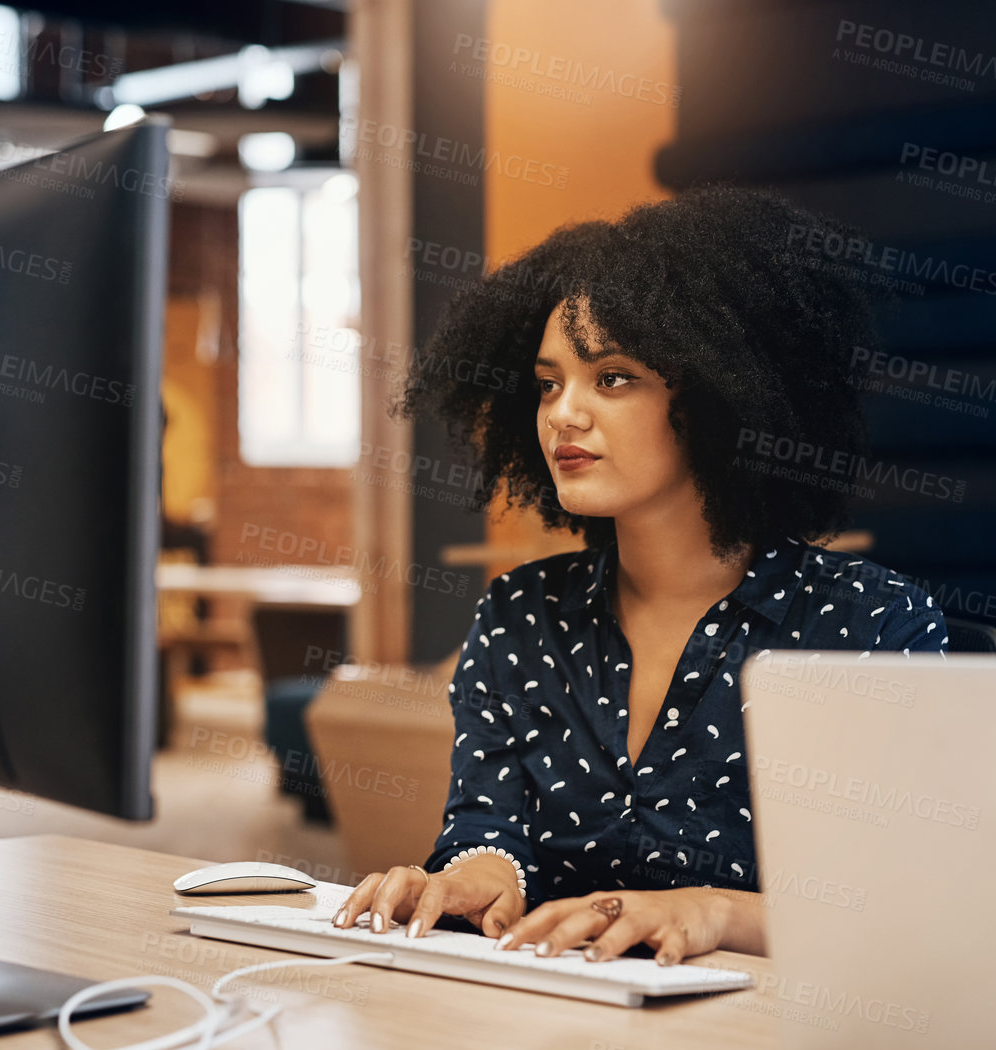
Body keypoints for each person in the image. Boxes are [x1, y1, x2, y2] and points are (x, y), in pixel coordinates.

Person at [333, 187, 947, 965]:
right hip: (547, 1024)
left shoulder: (867, 624)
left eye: (612, 377)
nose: (563, 413)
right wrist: (473, 873)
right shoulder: (518, 615)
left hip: (770, 1037)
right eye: (549, 382)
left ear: (721, 396)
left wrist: (713, 912)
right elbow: (487, 828)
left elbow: (891, 903)